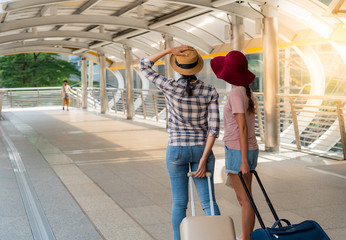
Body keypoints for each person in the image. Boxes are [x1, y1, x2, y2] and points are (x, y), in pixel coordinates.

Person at [139, 45, 221, 240]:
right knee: (208, 202)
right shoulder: (210, 91)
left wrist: (168, 51)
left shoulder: (169, 86)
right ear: (197, 67)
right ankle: (220, 236)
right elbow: (214, 128)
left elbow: (143, 65)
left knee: (179, 203)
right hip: (202, 148)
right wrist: (203, 158)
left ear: (177, 68)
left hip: (176, 150)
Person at [210, 51, 259, 240]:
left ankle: (246, 237)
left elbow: (243, 128)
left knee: (245, 199)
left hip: (239, 151)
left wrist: (244, 161)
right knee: (244, 198)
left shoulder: (235, 93)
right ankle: (246, 234)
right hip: (244, 149)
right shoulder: (245, 90)